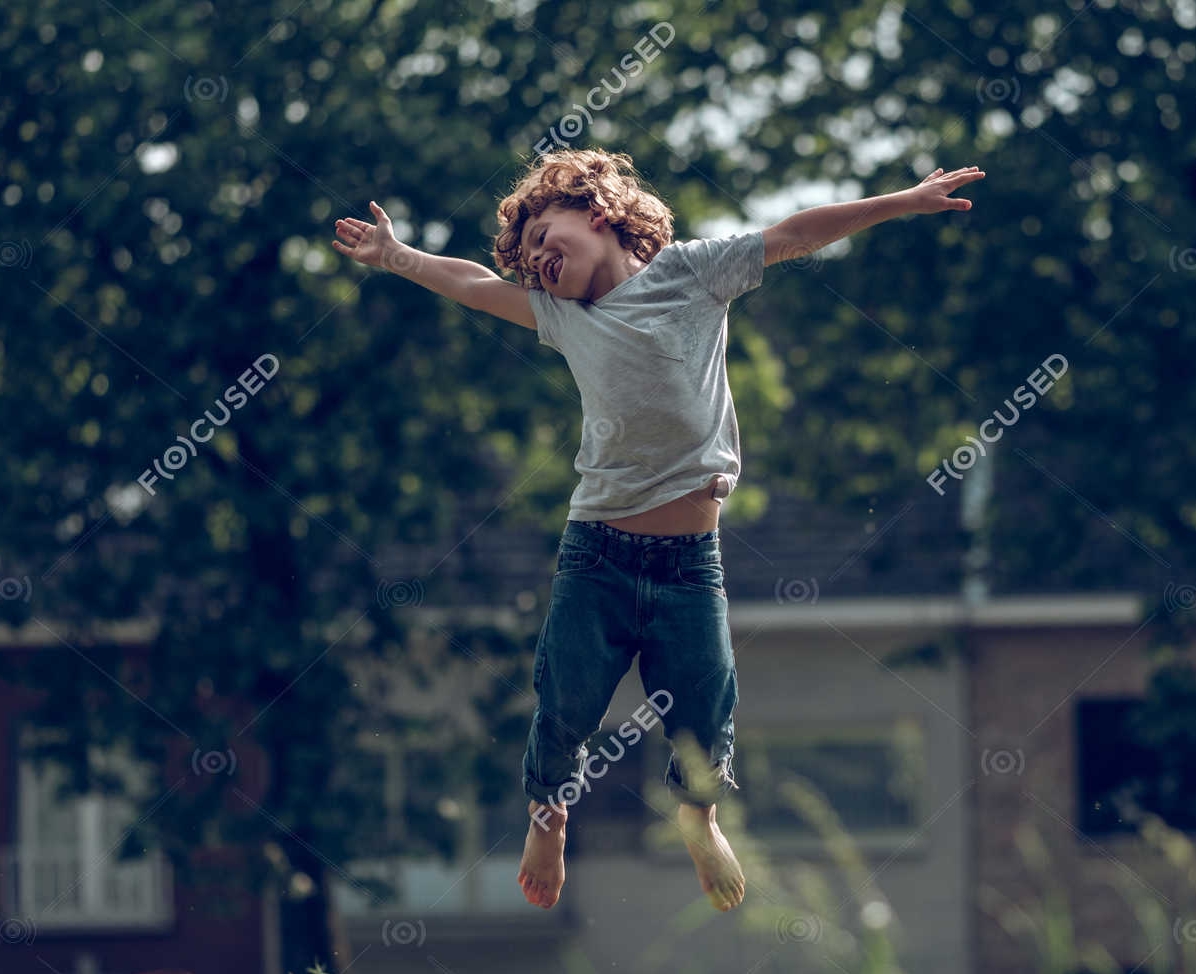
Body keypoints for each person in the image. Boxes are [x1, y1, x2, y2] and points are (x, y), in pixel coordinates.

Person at [332, 149, 982, 913]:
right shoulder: (561, 315)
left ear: (600, 213)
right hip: (597, 555)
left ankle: (699, 816)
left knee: (707, 702)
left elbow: (795, 231)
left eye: (545, 234)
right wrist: (397, 256)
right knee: (566, 699)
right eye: (528, 256)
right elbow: (474, 284)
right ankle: (548, 811)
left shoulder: (693, 274)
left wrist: (902, 201)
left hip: (688, 564)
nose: (538, 258)